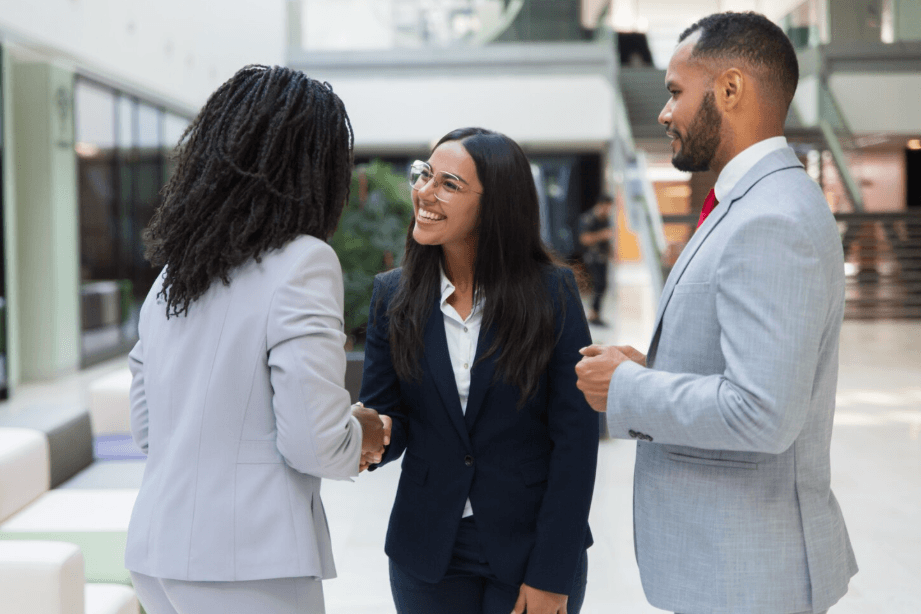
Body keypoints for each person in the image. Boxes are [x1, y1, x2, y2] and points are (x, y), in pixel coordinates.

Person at [575, 12, 857, 614]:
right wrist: (653, 366)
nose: (664, 112)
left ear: (730, 89)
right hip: (736, 567)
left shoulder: (770, 218)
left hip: (746, 575)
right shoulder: (756, 201)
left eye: (676, 91)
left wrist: (627, 388)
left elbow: (762, 414)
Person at [124, 65, 389, 614]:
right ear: (316, 169)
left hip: (155, 553)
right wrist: (360, 433)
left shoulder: (174, 277)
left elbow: (147, 428)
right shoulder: (303, 263)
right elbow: (312, 441)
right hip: (250, 561)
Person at [360, 127, 598, 614]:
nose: (424, 191)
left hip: (531, 547)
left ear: (496, 205)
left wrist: (551, 573)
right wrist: (376, 433)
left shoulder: (552, 294)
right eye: (424, 175)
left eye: (448, 184)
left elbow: (576, 441)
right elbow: (391, 417)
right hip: (427, 553)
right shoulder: (392, 296)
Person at [578, 194, 614, 326]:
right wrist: (602, 235)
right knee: (598, 284)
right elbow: (584, 239)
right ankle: (593, 314)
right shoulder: (589, 218)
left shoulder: (605, 219)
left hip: (602, 257)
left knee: (602, 285)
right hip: (592, 257)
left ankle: (596, 313)